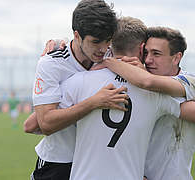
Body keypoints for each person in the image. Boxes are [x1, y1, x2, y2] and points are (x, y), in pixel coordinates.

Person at [57, 17, 195, 180]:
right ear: (141, 49)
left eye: (156, 54)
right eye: (147, 53)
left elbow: (148, 82)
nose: (149, 60)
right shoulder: (153, 93)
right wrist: (60, 43)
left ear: (177, 58)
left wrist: (109, 62)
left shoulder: (188, 83)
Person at [23, 1, 126, 180]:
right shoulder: (52, 63)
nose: (103, 49)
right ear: (77, 36)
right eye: (95, 42)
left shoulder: (112, 56)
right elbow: (46, 123)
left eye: (108, 40)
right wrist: (94, 102)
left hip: (97, 162)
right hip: (58, 163)